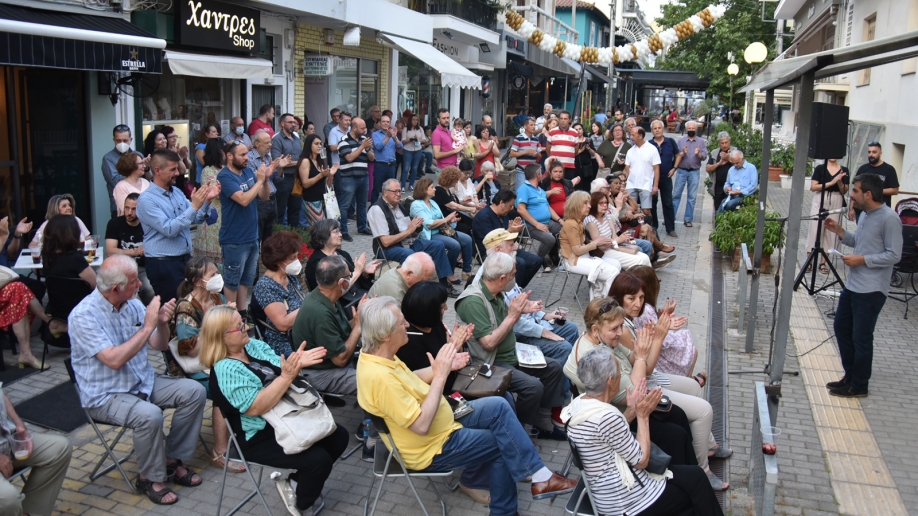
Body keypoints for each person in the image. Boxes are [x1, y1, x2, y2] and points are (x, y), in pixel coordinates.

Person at [356, 296, 577, 515]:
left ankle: (539, 476)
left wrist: (442, 367)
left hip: (444, 414)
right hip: (432, 445)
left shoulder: (379, 356)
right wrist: (441, 376)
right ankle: (506, 508)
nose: (406, 325)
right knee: (504, 444)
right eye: (400, 323)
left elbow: (410, 377)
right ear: (385, 335)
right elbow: (421, 426)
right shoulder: (380, 378)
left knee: (499, 405)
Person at [69, 255, 207, 505]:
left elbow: (160, 344)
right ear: (115, 289)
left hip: (142, 381)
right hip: (106, 395)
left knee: (194, 391)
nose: (140, 285)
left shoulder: (131, 304)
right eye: (134, 282)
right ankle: (149, 478)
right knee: (150, 415)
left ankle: (171, 459)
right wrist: (146, 327)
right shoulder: (83, 316)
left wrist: (162, 323)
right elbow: (114, 360)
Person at [199, 305, 348, 516]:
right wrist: (287, 376)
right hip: (257, 434)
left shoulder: (253, 346)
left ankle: (296, 485)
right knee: (318, 462)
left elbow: (280, 367)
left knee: (338, 436)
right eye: (239, 327)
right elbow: (256, 406)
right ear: (220, 337)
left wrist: (296, 363)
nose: (246, 327)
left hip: (285, 416)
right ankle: (302, 503)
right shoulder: (225, 369)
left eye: (243, 322)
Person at [565, 347, 724, 516]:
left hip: (607, 489)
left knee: (694, 474)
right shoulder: (607, 416)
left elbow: (608, 436)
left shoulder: (579, 404)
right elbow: (641, 461)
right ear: (611, 381)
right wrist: (643, 416)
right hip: (627, 501)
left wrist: (632, 411)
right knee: (696, 487)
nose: (622, 377)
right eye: (620, 373)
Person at [609, 273, 731, 488]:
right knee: (704, 411)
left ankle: (708, 445)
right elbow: (645, 370)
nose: (638, 304)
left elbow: (646, 364)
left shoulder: (627, 318)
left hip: (649, 378)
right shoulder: (622, 328)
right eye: (631, 298)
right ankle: (703, 470)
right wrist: (659, 337)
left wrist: (660, 326)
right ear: (618, 297)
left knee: (694, 386)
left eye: (641, 298)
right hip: (643, 386)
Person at [562, 298, 698, 466]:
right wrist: (641, 356)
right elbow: (635, 395)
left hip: (631, 408)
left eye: (621, 326)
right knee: (677, 435)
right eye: (615, 328)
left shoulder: (603, 338)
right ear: (596, 329)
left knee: (679, 415)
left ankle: (693, 467)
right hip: (619, 420)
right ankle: (681, 476)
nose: (621, 331)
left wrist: (642, 347)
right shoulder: (594, 359)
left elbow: (631, 358)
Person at [455, 253, 568, 440]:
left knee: (554, 368)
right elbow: (489, 344)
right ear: (502, 278)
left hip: (511, 353)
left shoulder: (496, 292)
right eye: (513, 274)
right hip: (488, 363)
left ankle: (542, 421)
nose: (514, 278)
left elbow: (504, 318)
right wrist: (513, 316)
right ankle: (517, 431)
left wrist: (521, 310)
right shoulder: (473, 301)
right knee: (533, 387)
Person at [823, 173, 902, 398]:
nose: (851, 194)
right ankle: (849, 376)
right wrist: (839, 232)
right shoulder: (865, 215)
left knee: (861, 337)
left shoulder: (889, 218)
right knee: (841, 328)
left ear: (868, 193)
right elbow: (860, 241)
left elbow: (894, 254)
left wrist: (863, 260)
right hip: (854, 285)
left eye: (855, 190)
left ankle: (859, 385)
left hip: (872, 289)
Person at [169, 256, 244, 474]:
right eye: (212, 274)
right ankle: (219, 452)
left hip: (218, 358)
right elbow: (190, 349)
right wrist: (213, 322)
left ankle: (244, 433)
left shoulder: (217, 297)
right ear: (197, 281)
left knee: (248, 372)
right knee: (222, 388)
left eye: (216, 272)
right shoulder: (186, 307)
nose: (217, 277)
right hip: (193, 367)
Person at [137, 149, 220, 301]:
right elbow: (169, 229)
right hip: (163, 264)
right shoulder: (146, 200)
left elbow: (197, 219)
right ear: (157, 170)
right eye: (172, 169)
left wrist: (207, 201)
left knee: (189, 305)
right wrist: (194, 206)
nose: (177, 173)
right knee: (171, 309)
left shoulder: (176, 192)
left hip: (185, 260)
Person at [367, 179, 459, 296]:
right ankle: (417, 290)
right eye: (395, 191)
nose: (399, 194)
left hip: (407, 241)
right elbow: (385, 242)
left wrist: (416, 227)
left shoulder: (399, 206)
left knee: (437, 245)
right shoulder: (377, 209)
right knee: (410, 254)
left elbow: (412, 233)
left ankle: (444, 285)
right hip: (388, 249)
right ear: (385, 192)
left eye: (400, 191)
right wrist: (409, 230)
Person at [290, 255, 361, 396]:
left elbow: (341, 330)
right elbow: (340, 359)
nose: (350, 278)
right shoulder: (320, 313)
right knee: (375, 382)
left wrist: (358, 318)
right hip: (321, 373)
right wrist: (358, 327)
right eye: (349, 275)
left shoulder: (324, 295)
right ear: (341, 283)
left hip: (330, 362)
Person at [0, 385, 72, 514]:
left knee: (59, 448)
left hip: (7, 443)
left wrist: (18, 424)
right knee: (8, 499)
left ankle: (31, 512)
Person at [218, 141, 272, 313]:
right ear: (229, 156)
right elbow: (243, 199)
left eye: (247, 154)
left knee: (246, 281)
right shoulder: (225, 177)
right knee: (232, 281)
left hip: (252, 236)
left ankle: (242, 313)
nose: (246, 158)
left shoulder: (248, 171)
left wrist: (265, 181)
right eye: (242, 155)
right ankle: (229, 315)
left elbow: (264, 196)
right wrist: (259, 181)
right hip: (234, 239)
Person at [629, 265, 701, 378]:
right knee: (692, 349)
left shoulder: (643, 308)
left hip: (649, 349)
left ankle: (689, 382)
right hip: (653, 356)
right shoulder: (645, 309)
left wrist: (661, 317)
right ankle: (689, 381)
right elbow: (661, 339)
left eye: (640, 298)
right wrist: (665, 321)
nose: (637, 304)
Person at [251, 231, 307, 357]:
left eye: (297, 257)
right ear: (277, 260)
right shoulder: (265, 286)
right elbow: (283, 324)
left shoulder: (290, 278)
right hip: (281, 345)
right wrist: (311, 303)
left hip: (300, 336)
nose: (296, 261)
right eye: (292, 258)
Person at [471, 191, 542, 288]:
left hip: (507, 248)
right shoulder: (483, 216)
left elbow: (509, 239)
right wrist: (509, 230)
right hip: (491, 252)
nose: (512, 208)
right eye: (510, 205)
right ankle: (510, 290)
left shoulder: (503, 215)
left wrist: (514, 231)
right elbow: (491, 241)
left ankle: (516, 287)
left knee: (536, 261)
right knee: (519, 263)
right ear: (501, 203)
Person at [411, 178, 474, 283]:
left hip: (442, 230)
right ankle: (449, 272)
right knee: (455, 245)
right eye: (432, 187)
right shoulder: (416, 205)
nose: (435, 189)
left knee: (467, 239)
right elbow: (428, 224)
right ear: (424, 190)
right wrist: (446, 219)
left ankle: (466, 271)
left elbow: (441, 219)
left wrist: (450, 221)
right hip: (429, 234)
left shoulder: (433, 202)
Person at [560, 192, 621, 299]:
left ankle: (599, 297)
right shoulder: (571, 224)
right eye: (585, 203)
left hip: (583, 256)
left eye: (589, 203)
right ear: (576, 205)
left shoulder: (579, 221)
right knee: (612, 272)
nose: (589, 205)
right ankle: (604, 304)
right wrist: (595, 243)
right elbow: (577, 251)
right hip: (572, 260)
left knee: (616, 264)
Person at [304, 219, 380, 293]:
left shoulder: (343, 254)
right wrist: (357, 271)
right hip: (341, 303)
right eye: (336, 232)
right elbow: (328, 294)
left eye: (339, 231)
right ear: (323, 236)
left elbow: (354, 279)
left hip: (357, 295)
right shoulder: (316, 263)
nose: (340, 234)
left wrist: (364, 272)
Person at [105, 193, 154, 305]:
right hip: (120, 269)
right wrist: (134, 252)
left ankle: (150, 317)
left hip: (142, 268)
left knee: (150, 289)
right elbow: (110, 251)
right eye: (127, 208)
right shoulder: (115, 224)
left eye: (133, 209)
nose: (129, 212)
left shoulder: (148, 224)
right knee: (132, 296)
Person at [585, 192, 653, 270]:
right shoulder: (590, 221)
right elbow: (599, 246)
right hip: (603, 252)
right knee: (639, 260)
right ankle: (633, 280)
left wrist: (623, 239)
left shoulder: (606, 215)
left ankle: (649, 280)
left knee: (645, 257)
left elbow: (614, 236)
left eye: (606, 202)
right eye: (601, 203)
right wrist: (618, 240)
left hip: (613, 246)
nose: (605, 205)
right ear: (594, 204)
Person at [516, 164, 562, 270]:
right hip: (530, 225)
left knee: (566, 228)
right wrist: (537, 224)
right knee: (550, 239)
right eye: (541, 173)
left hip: (547, 222)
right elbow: (520, 209)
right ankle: (538, 260)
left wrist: (560, 220)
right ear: (537, 175)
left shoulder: (540, 190)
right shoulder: (524, 188)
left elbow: (548, 208)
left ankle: (557, 257)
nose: (543, 175)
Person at [807, 158, 849, 273]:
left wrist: (839, 181)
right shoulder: (820, 168)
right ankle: (809, 261)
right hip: (821, 197)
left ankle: (823, 263)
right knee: (815, 229)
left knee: (831, 231)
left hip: (836, 198)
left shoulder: (844, 170)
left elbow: (845, 190)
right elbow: (813, 187)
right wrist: (831, 182)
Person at [337, 116, 374, 238]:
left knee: (362, 204)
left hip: (364, 176)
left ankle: (362, 227)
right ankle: (343, 231)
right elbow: (349, 158)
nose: (365, 131)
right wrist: (362, 147)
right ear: (354, 128)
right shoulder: (343, 140)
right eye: (362, 128)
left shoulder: (364, 140)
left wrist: (368, 149)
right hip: (349, 178)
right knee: (345, 205)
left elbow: (372, 158)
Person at [249, 130, 287, 244]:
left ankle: (266, 259)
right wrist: (266, 173)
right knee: (258, 234)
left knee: (270, 236)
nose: (270, 145)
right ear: (257, 144)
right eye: (267, 143)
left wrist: (280, 168)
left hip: (272, 199)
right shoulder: (250, 158)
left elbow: (277, 180)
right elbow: (252, 181)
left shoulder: (268, 156)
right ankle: (256, 259)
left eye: (270, 142)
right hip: (259, 200)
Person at [192, 139, 226, 264]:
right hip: (213, 217)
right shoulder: (208, 171)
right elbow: (216, 193)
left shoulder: (223, 168)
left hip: (224, 215)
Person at [672, 121, 707, 227]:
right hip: (682, 171)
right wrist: (683, 153)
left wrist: (698, 154)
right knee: (676, 195)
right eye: (689, 128)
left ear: (696, 129)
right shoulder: (681, 141)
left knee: (692, 197)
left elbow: (704, 156)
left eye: (693, 128)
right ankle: (671, 217)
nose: (691, 130)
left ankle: (688, 219)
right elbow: (676, 156)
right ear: (686, 129)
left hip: (694, 172)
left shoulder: (701, 141)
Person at [298, 134, 338, 226]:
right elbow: (305, 184)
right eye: (316, 144)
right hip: (312, 200)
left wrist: (330, 176)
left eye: (321, 144)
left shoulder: (320, 161)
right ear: (309, 145)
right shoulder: (305, 161)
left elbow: (327, 186)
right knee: (321, 228)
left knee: (331, 227)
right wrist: (321, 175)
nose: (320, 146)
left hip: (324, 199)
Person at [851, 142, 899, 220]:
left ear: (880, 153)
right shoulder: (862, 169)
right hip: (861, 211)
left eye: (874, 152)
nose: (871, 155)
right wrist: (851, 208)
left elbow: (895, 190)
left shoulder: (889, 169)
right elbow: (855, 189)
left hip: (880, 212)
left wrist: (875, 191)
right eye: (869, 152)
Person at [368, 252, 436, 307]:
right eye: (423, 281)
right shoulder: (396, 293)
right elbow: (401, 323)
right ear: (409, 274)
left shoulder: (399, 271)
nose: (426, 285)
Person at [271, 113, 302, 227]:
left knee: (295, 211)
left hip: (297, 178)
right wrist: (299, 163)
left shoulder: (296, 138)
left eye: (294, 122)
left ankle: (294, 239)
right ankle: (278, 240)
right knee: (280, 211)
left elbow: (301, 157)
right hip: (283, 179)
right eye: (290, 122)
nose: (293, 124)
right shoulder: (277, 139)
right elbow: (277, 162)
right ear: (282, 124)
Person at [624, 127, 660, 225]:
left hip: (646, 184)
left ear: (640, 136)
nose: (631, 137)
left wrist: (655, 185)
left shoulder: (652, 149)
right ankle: (634, 231)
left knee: (646, 211)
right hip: (631, 184)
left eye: (633, 135)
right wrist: (623, 181)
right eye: (630, 135)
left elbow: (656, 169)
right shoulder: (630, 151)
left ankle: (650, 230)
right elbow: (627, 168)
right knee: (631, 209)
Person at [648, 121, 677, 237]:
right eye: (655, 128)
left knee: (668, 203)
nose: (657, 130)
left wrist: (674, 168)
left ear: (663, 129)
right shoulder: (648, 144)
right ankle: (654, 226)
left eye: (659, 128)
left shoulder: (670, 142)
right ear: (651, 131)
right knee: (653, 203)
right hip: (652, 178)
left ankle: (670, 228)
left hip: (666, 177)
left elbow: (679, 154)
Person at [434, 165, 478, 237]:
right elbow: (454, 206)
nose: (457, 182)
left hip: (451, 217)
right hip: (445, 220)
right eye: (456, 179)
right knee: (466, 227)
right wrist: (469, 209)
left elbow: (450, 203)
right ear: (450, 179)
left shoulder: (446, 189)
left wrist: (463, 202)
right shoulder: (440, 190)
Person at [371, 114, 403, 203]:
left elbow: (400, 146)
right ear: (380, 123)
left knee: (391, 189)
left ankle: (389, 207)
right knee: (377, 188)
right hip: (380, 165)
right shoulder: (375, 134)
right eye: (383, 121)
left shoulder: (392, 133)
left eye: (387, 122)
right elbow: (378, 147)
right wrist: (388, 137)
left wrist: (394, 138)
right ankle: (374, 208)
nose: (385, 123)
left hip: (392, 165)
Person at [706, 132, 736, 218]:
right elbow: (708, 168)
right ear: (719, 143)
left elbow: (741, 164)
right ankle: (717, 227)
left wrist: (729, 158)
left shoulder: (736, 151)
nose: (724, 145)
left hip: (732, 186)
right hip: (718, 186)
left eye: (726, 142)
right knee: (718, 208)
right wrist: (719, 164)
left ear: (729, 141)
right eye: (722, 143)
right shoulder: (715, 153)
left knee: (730, 208)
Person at [546, 110, 579, 182]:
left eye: (565, 119)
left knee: (568, 187)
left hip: (569, 166)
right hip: (555, 167)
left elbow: (576, 150)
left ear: (569, 120)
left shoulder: (575, 133)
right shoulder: (552, 132)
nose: (563, 121)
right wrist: (552, 159)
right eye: (561, 118)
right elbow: (548, 148)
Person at [510, 117, 542, 190]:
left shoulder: (536, 139)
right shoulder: (518, 138)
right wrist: (525, 152)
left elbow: (540, 156)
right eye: (531, 125)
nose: (534, 127)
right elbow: (512, 154)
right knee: (521, 191)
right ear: (525, 126)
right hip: (522, 170)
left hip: (533, 172)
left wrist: (537, 154)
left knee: (532, 192)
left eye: (534, 125)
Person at [400, 114, 426, 191]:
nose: (415, 121)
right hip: (408, 150)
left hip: (417, 150)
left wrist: (418, 139)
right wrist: (410, 139)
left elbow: (424, 139)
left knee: (414, 168)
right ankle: (403, 186)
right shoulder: (406, 129)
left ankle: (411, 185)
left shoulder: (420, 129)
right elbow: (403, 141)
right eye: (413, 120)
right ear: (410, 120)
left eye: (416, 120)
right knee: (406, 168)